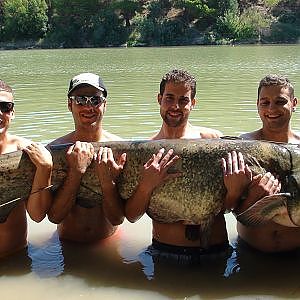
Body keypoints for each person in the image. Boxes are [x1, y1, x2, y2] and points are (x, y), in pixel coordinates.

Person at [125, 69, 231, 266]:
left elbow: (231, 206)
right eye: (169, 98)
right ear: (159, 99)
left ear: (193, 103)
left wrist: (236, 187)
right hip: (165, 251)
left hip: (216, 251)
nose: (175, 106)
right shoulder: (144, 150)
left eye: (183, 100)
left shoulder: (213, 140)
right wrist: (146, 185)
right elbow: (131, 216)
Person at [223, 74, 300, 253]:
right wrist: (252, 198)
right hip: (248, 251)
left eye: (280, 101)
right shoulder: (241, 145)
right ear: (257, 105)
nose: (272, 108)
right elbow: (225, 208)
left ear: (294, 103)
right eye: (265, 102)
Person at [47, 73, 126, 243]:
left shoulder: (121, 149)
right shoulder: (53, 151)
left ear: (105, 105)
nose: (88, 107)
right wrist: (75, 172)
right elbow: (54, 216)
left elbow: (117, 219)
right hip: (67, 244)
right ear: (70, 104)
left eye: (95, 100)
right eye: (80, 100)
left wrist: (107, 181)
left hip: (108, 243)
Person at [0, 79, 53, 258]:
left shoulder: (28, 151)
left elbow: (37, 215)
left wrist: (45, 168)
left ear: (12, 112)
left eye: (4, 107)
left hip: (17, 258)